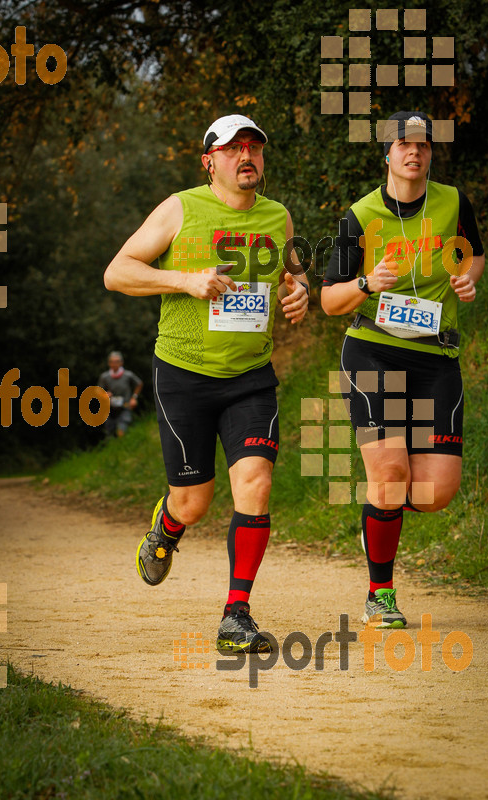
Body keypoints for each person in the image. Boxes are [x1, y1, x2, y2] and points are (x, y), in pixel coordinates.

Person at [104, 114, 309, 653]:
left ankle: (235, 615)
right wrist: (183, 280)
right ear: (209, 161)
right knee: (193, 502)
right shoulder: (181, 208)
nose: (247, 156)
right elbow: (117, 271)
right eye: (233, 148)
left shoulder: (278, 216)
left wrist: (300, 290)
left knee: (256, 483)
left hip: (250, 378)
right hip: (183, 376)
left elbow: (293, 270)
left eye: (255, 148)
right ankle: (167, 528)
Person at [321, 111, 485, 628]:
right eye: (403, 144)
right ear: (386, 153)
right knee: (390, 473)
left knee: (435, 492)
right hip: (374, 350)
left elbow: (474, 254)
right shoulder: (360, 215)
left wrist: (466, 279)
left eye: (423, 144)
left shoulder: (453, 202)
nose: (414, 152)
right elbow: (329, 300)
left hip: (435, 356)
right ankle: (380, 593)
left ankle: (379, 512)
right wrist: (368, 283)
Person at [97, 351, 143, 437]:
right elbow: (98, 392)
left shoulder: (128, 375)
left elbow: (139, 384)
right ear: (108, 363)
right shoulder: (104, 377)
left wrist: (134, 398)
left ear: (121, 362)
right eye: (112, 362)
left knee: (121, 431)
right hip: (110, 409)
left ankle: (126, 446)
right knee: (109, 433)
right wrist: (105, 395)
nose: (114, 364)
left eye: (117, 361)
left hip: (125, 406)